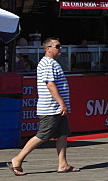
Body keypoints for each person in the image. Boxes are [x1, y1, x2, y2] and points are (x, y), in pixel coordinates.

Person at [7, 38, 79, 174]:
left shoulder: (53, 63)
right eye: (57, 46)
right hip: (50, 107)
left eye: (60, 46)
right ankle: (18, 159)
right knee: (43, 135)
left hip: (56, 108)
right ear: (48, 49)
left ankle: (63, 164)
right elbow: (49, 84)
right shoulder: (46, 63)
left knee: (63, 134)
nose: (60, 49)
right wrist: (61, 103)